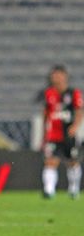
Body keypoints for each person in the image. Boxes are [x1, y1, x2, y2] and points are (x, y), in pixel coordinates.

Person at [41, 65, 82, 199]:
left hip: (69, 133)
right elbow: (46, 113)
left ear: (65, 77)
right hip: (53, 134)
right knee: (50, 161)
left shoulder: (73, 93)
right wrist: (44, 133)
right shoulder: (48, 94)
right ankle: (49, 190)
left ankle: (74, 188)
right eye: (54, 75)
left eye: (59, 75)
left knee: (72, 162)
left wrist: (75, 126)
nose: (56, 78)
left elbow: (79, 111)